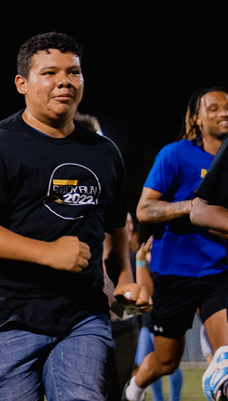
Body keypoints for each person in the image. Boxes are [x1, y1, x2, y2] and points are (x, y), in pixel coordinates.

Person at [0, 32, 145, 400]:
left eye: (74, 72)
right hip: (3, 320)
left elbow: (115, 226)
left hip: (81, 317)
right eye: (50, 73)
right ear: (22, 83)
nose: (64, 82)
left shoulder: (104, 153)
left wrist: (123, 279)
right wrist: (47, 252)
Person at [125, 87, 228, 401]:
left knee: (226, 357)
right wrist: (194, 208)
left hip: (220, 271)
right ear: (196, 117)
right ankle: (133, 390)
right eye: (213, 108)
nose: (224, 112)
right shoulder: (175, 154)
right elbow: (145, 209)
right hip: (175, 273)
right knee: (167, 362)